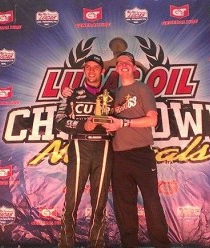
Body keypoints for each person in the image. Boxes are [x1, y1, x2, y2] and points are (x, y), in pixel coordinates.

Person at [102, 51, 170, 248]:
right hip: (118, 156)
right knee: (124, 207)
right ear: (116, 69)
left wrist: (121, 124)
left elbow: (152, 119)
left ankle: (161, 244)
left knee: (151, 202)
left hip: (141, 154)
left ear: (134, 67)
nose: (123, 64)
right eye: (119, 62)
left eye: (127, 62)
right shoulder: (112, 95)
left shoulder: (142, 88)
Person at [54, 54, 114, 248]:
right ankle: (65, 243)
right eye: (87, 67)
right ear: (83, 70)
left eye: (95, 67)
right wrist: (82, 124)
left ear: (102, 71)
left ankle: (96, 244)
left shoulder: (111, 95)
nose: (91, 71)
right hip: (80, 146)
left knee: (99, 202)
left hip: (104, 147)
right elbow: (59, 121)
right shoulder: (71, 93)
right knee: (71, 200)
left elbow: (120, 121)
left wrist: (113, 124)